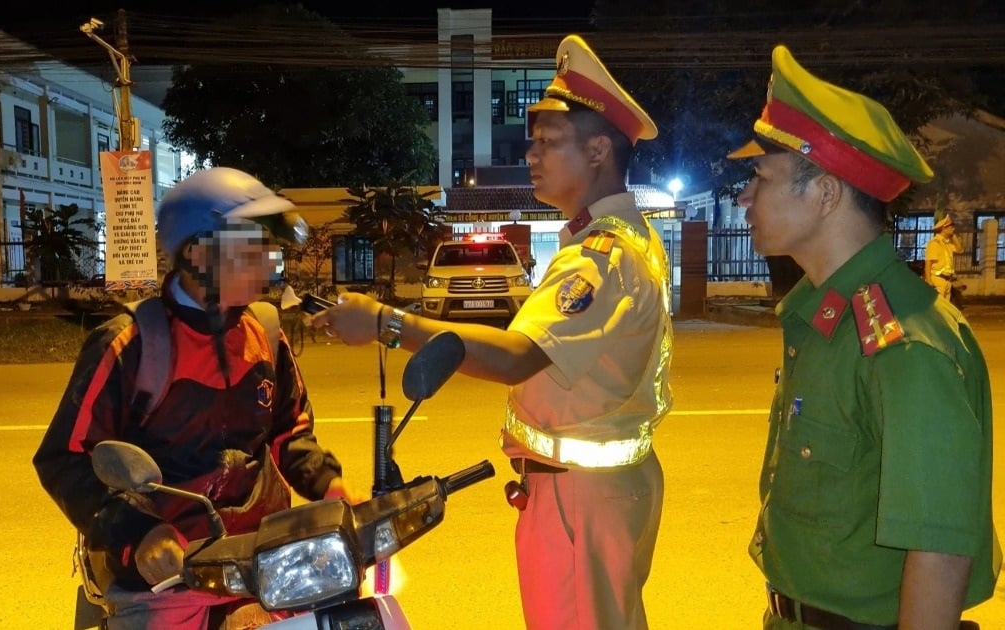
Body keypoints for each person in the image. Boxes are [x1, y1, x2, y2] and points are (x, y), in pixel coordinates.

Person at [312, 34, 673, 630]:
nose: (531, 154)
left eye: (549, 142)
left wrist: (386, 323)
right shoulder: (617, 242)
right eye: (533, 141)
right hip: (592, 490)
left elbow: (514, 357)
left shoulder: (599, 258)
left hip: (581, 502)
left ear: (598, 150)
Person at [728, 45, 1000, 629]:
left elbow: (939, 554)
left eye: (761, 178)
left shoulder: (906, 348)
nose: (744, 197)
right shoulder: (822, 319)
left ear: (824, 194)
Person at [33, 167, 357, 630]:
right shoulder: (130, 344)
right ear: (197, 253)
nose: (268, 263)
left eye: (269, 248)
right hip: (167, 572)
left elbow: (289, 434)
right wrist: (138, 533)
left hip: (261, 565)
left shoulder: (265, 335)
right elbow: (65, 460)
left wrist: (331, 486)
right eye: (251, 248)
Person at [926, 214, 963, 303]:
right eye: (951, 227)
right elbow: (928, 263)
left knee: (945, 307)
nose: (953, 229)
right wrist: (929, 281)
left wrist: (954, 237)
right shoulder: (934, 243)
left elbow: (960, 250)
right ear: (944, 228)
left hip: (947, 281)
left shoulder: (948, 243)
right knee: (937, 307)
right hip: (938, 280)